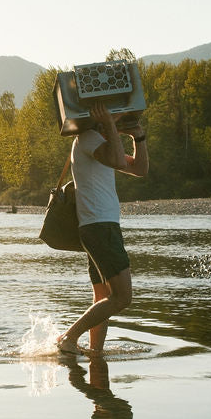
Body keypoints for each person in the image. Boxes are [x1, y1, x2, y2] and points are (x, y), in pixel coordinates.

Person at [57, 102, 148, 356]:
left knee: (103, 298)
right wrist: (110, 122)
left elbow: (140, 169)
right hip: (99, 227)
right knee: (122, 297)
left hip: (100, 226)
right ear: (99, 117)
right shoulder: (87, 138)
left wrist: (139, 137)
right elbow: (118, 159)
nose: (119, 121)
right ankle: (68, 338)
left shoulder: (100, 142)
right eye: (115, 117)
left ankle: (95, 353)